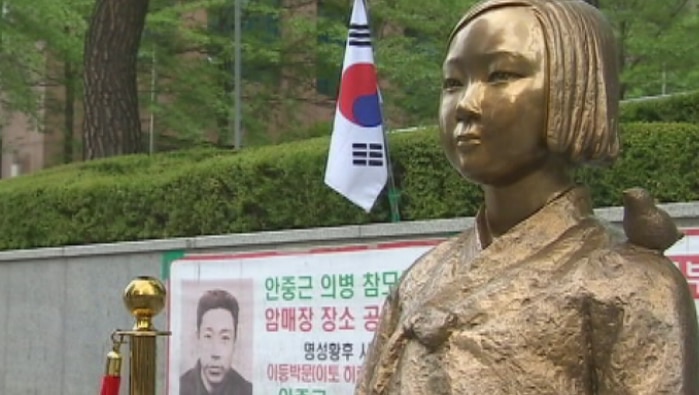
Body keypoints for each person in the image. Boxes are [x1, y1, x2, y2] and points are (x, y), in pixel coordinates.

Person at [355, 0, 699, 394]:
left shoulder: (629, 283)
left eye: (500, 75)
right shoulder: (420, 279)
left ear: (574, 90)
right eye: (453, 83)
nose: (466, 104)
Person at [180, 289, 253, 395]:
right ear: (197, 338)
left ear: (235, 342)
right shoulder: (179, 388)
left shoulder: (248, 391)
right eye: (208, 336)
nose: (215, 353)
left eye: (225, 338)